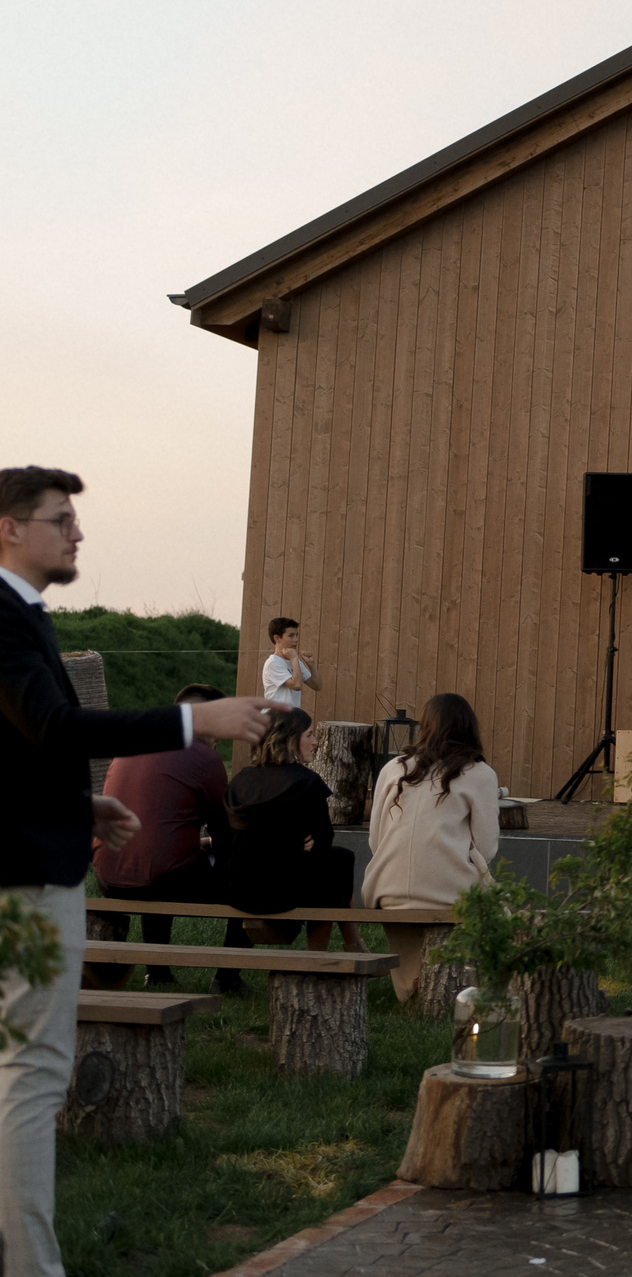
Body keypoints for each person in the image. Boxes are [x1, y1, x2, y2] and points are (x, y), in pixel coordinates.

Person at [1, 466, 273, 1277]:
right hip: (23, 885)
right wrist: (197, 718)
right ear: (10, 527)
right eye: (59, 519)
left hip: (29, 856)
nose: (76, 532)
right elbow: (54, 725)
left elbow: (15, 746)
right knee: (31, 1074)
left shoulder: (21, 616)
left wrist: (76, 809)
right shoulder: (3, 616)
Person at [94, 682, 251, 993]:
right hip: (162, 878)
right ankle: (228, 977)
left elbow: (154, 822)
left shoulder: (135, 742)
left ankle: (158, 972)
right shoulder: (204, 756)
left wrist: (194, 844)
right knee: (251, 881)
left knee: (160, 862)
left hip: (107, 876)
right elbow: (224, 831)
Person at [362, 693, 502, 1001]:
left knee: (408, 951)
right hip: (450, 892)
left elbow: (375, 840)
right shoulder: (479, 774)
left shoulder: (393, 768)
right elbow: (487, 848)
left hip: (388, 888)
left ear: (425, 726)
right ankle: (452, 991)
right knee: (499, 912)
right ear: (469, 728)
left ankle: (411, 990)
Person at [225, 707, 361, 951]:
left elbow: (231, 836)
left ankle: (226, 974)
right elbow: (323, 840)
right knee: (338, 861)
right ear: (290, 738)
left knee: (251, 861)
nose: (315, 742)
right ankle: (318, 955)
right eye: (309, 734)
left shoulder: (240, 781)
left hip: (239, 890)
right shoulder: (306, 782)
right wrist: (301, 842)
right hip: (286, 894)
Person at [261, 615, 318, 710]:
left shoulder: (295, 661)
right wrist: (294, 658)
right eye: (291, 635)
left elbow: (317, 686)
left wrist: (311, 665)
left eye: (296, 635)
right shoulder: (273, 663)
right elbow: (296, 685)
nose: (296, 639)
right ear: (277, 638)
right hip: (276, 718)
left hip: (291, 718)